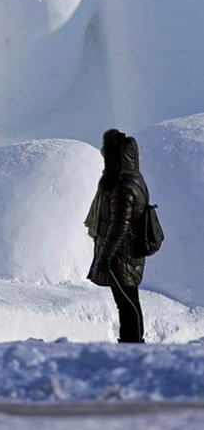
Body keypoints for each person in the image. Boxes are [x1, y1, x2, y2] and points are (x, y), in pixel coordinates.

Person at [85, 129, 149, 343]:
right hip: (125, 253)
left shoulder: (123, 187)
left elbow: (119, 226)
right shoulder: (133, 178)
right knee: (129, 301)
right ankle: (132, 343)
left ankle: (132, 345)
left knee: (127, 303)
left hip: (121, 255)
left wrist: (104, 258)